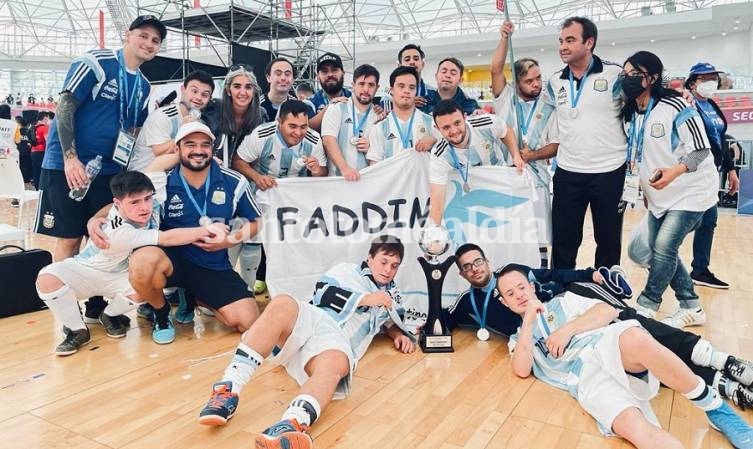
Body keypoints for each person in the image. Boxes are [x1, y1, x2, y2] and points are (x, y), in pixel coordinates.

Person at [451, 243, 753, 409]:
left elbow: (556, 274)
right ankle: (720, 383)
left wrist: (591, 274)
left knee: (636, 326)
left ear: (486, 260)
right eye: (467, 266)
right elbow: (443, 317)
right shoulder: (467, 302)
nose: (474, 268)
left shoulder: (516, 273)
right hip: (557, 338)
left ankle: (726, 361)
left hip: (571, 307)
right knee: (632, 362)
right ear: (463, 274)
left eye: (477, 261)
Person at [498, 265, 753, 449]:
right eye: (510, 294)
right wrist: (529, 323)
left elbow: (607, 310)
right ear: (505, 304)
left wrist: (566, 330)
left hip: (603, 346)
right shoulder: (518, 338)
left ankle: (715, 408)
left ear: (532, 287)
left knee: (634, 338)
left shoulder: (563, 302)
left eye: (521, 287)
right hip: (585, 380)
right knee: (636, 429)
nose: (519, 295)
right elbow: (521, 369)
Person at [197, 235, 416, 449]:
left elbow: (389, 321)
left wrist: (397, 335)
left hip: (337, 343)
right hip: (315, 320)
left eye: (394, 266)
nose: (388, 270)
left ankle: (291, 424)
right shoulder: (347, 271)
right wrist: (366, 298)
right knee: (282, 303)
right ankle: (227, 390)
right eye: (384, 262)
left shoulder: (393, 295)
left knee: (334, 366)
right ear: (369, 258)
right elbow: (323, 293)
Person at [35, 15, 165, 322]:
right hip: (68, 166)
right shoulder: (96, 62)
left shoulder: (144, 87)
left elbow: (131, 131)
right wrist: (70, 157)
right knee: (68, 238)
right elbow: (66, 106)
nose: (148, 44)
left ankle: (95, 305)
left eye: (155, 41)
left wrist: (124, 173)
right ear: (128, 34)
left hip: (109, 172)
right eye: (143, 36)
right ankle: (67, 315)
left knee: (100, 237)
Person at [36, 171, 211, 355]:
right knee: (47, 278)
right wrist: (205, 230)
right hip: (86, 271)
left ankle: (109, 315)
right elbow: (167, 238)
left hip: (117, 275)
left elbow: (159, 165)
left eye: (147, 199)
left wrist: (93, 219)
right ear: (119, 204)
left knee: (145, 287)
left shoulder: (147, 204)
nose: (144, 207)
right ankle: (76, 329)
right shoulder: (119, 232)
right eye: (134, 202)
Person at [123, 122, 262, 344]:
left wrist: (227, 241)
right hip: (171, 261)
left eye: (205, 145)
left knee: (247, 322)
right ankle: (161, 312)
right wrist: (97, 218)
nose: (198, 150)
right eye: (190, 144)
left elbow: (255, 223)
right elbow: (127, 198)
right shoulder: (162, 180)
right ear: (177, 150)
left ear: (212, 149)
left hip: (212, 265)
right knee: (141, 263)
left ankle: (195, 296)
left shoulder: (233, 180)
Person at [618, 52, 716, 329]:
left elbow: (700, 149)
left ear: (653, 77)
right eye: (626, 74)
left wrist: (674, 172)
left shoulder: (674, 105)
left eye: (635, 74)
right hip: (661, 196)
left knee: (663, 246)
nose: (629, 79)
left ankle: (647, 305)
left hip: (692, 191)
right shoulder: (631, 113)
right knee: (647, 250)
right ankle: (692, 306)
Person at [543, 16, 626, 270]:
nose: (562, 47)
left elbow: (642, 101)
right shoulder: (555, 80)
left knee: (608, 240)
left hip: (610, 170)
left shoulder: (615, 74)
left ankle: (607, 293)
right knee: (565, 239)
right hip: (568, 171)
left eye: (570, 40)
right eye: (560, 41)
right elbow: (539, 114)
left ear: (589, 42)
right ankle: (561, 290)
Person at [232, 99, 327, 293]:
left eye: (303, 126)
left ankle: (290, 287)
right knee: (254, 239)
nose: (299, 133)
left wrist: (317, 169)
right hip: (262, 194)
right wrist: (257, 177)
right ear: (279, 122)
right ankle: (246, 288)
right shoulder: (262, 135)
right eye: (292, 126)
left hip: (293, 199)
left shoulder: (314, 139)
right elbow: (238, 161)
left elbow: (323, 173)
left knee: (294, 242)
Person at [491, 20, 558, 268]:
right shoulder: (505, 97)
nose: (537, 84)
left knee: (539, 235)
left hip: (537, 180)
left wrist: (531, 156)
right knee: (510, 233)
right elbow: (496, 70)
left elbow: (555, 146)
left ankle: (540, 278)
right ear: (517, 82)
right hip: (506, 178)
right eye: (529, 80)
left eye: (538, 78)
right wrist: (504, 38)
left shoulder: (550, 107)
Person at [684, 62, 738, 290]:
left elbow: (721, 138)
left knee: (708, 221)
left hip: (711, 173)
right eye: (705, 78)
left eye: (713, 78)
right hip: (691, 172)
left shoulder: (712, 105)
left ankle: (700, 270)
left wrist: (731, 169)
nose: (710, 82)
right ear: (693, 81)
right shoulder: (687, 103)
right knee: (682, 221)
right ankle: (656, 258)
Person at [427, 99, 523, 225]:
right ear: (437, 129)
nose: (454, 131)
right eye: (446, 127)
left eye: (457, 123)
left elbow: (506, 130)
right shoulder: (439, 155)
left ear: (465, 117)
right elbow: (437, 203)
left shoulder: (486, 122)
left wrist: (515, 155)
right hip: (471, 198)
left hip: (500, 187)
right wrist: (434, 232)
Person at [130, 70, 215, 172]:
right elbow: (159, 152)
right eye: (194, 91)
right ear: (183, 89)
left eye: (204, 95)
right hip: (143, 176)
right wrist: (183, 131)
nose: (198, 97)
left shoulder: (199, 123)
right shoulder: (163, 116)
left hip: (171, 179)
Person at [321, 64, 381, 180]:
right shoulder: (337, 108)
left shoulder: (379, 116)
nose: (366, 89)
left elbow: (381, 152)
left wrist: (371, 148)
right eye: (361, 84)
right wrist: (345, 168)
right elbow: (328, 140)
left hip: (366, 183)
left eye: (371, 85)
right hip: (338, 180)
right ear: (353, 85)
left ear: (377, 87)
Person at [366, 66, 435, 164]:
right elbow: (374, 166)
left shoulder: (431, 123)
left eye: (412, 87)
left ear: (416, 91)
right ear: (392, 90)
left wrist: (434, 140)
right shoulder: (380, 127)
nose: (407, 91)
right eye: (401, 86)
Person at [204, 64, 264, 166]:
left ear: (254, 91)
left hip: (244, 175)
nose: (243, 92)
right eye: (237, 86)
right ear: (228, 90)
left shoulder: (261, 115)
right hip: (210, 168)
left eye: (248, 87)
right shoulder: (213, 109)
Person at [381, 44, 433, 113]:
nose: (412, 62)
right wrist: (407, 103)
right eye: (407, 59)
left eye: (416, 59)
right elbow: (385, 113)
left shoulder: (432, 91)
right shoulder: (390, 92)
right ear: (399, 66)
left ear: (422, 64)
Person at [308, 53, 352, 132]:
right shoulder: (309, 103)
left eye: (334, 70)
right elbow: (306, 129)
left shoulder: (354, 98)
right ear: (318, 76)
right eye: (324, 71)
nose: (330, 74)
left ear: (343, 73)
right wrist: (329, 108)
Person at [31, 111, 51, 189]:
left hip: (33, 151)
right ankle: (42, 188)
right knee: (42, 171)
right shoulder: (44, 128)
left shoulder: (33, 126)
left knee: (36, 170)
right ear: (45, 118)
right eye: (47, 119)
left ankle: (36, 187)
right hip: (41, 152)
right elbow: (48, 141)